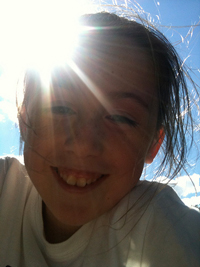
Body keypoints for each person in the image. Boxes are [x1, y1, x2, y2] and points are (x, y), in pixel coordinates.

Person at [0, 12, 200, 267]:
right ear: (23, 120)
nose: (83, 145)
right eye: (60, 108)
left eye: (121, 118)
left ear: (153, 144)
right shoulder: (5, 187)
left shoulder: (156, 223)